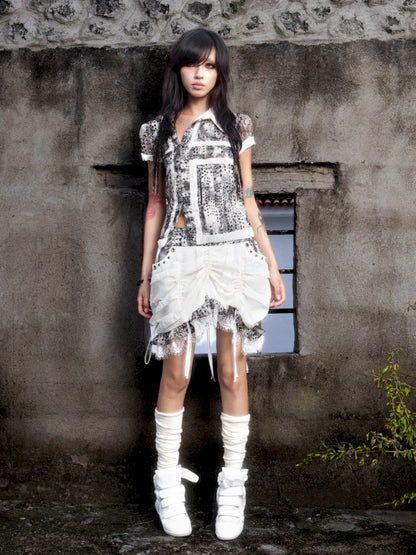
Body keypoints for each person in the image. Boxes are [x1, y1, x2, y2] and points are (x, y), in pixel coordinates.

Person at [137, 27, 286, 541]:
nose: (200, 74)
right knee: (176, 373)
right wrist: (145, 275)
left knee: (231, 370)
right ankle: (166, 481)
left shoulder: (236, 126)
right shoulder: (155, 132)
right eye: (191, 64)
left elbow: (248, 199)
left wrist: (272, 266)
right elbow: (155, 205)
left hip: (234, 253)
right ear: (178, 69)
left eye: (210, 65)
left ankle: (232, 484)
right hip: (179, 256)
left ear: (219, 72)